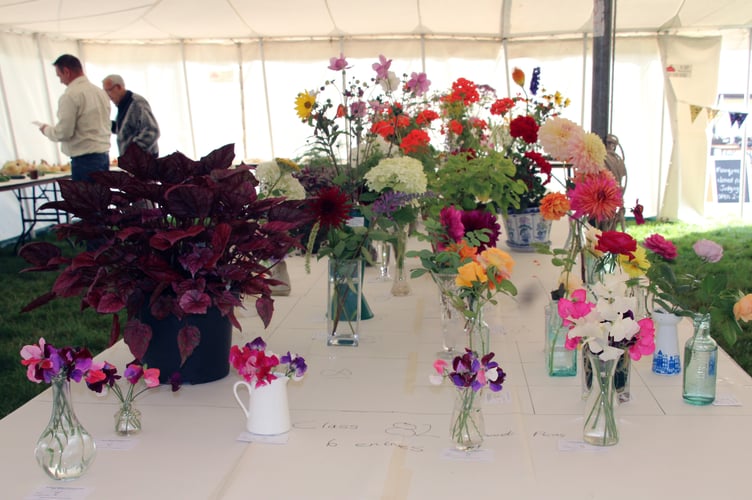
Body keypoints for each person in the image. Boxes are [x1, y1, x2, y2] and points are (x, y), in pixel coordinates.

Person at [37, 54, 111, 182]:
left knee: (85, 201)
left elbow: (64, 133)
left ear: (66, 71)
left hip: (84, 162)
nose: (60, 81)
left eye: (59, 76)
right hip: (103, 157)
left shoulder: (71, 95)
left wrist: (46, 130)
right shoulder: (100, 93)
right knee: (100, 200)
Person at [102, 74, 160, 156]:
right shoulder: (123, 106)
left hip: (144, 161)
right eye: (105, 92)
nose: (107, 95)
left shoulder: (137, 103)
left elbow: (152, 131)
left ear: (119, 87)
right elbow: (126, 130)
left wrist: (132, 151)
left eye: (109, 90)